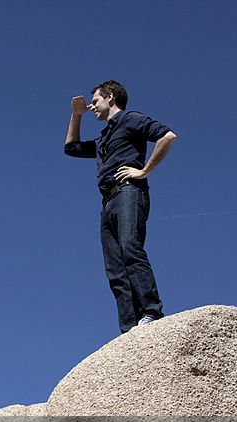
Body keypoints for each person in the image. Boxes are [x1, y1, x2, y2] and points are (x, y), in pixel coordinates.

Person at [64, 80, 178, 334]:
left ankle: (151, 311)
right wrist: (76, 115)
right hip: (108, 202)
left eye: (95, 101)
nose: (92, 106)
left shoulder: (131, 120)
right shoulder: (104, 136)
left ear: (110, 98)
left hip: (129, 192)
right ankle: (129, 327)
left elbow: (167, 136)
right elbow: (71, 148)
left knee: (130, 250)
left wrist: (144, 170)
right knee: (114, 267)